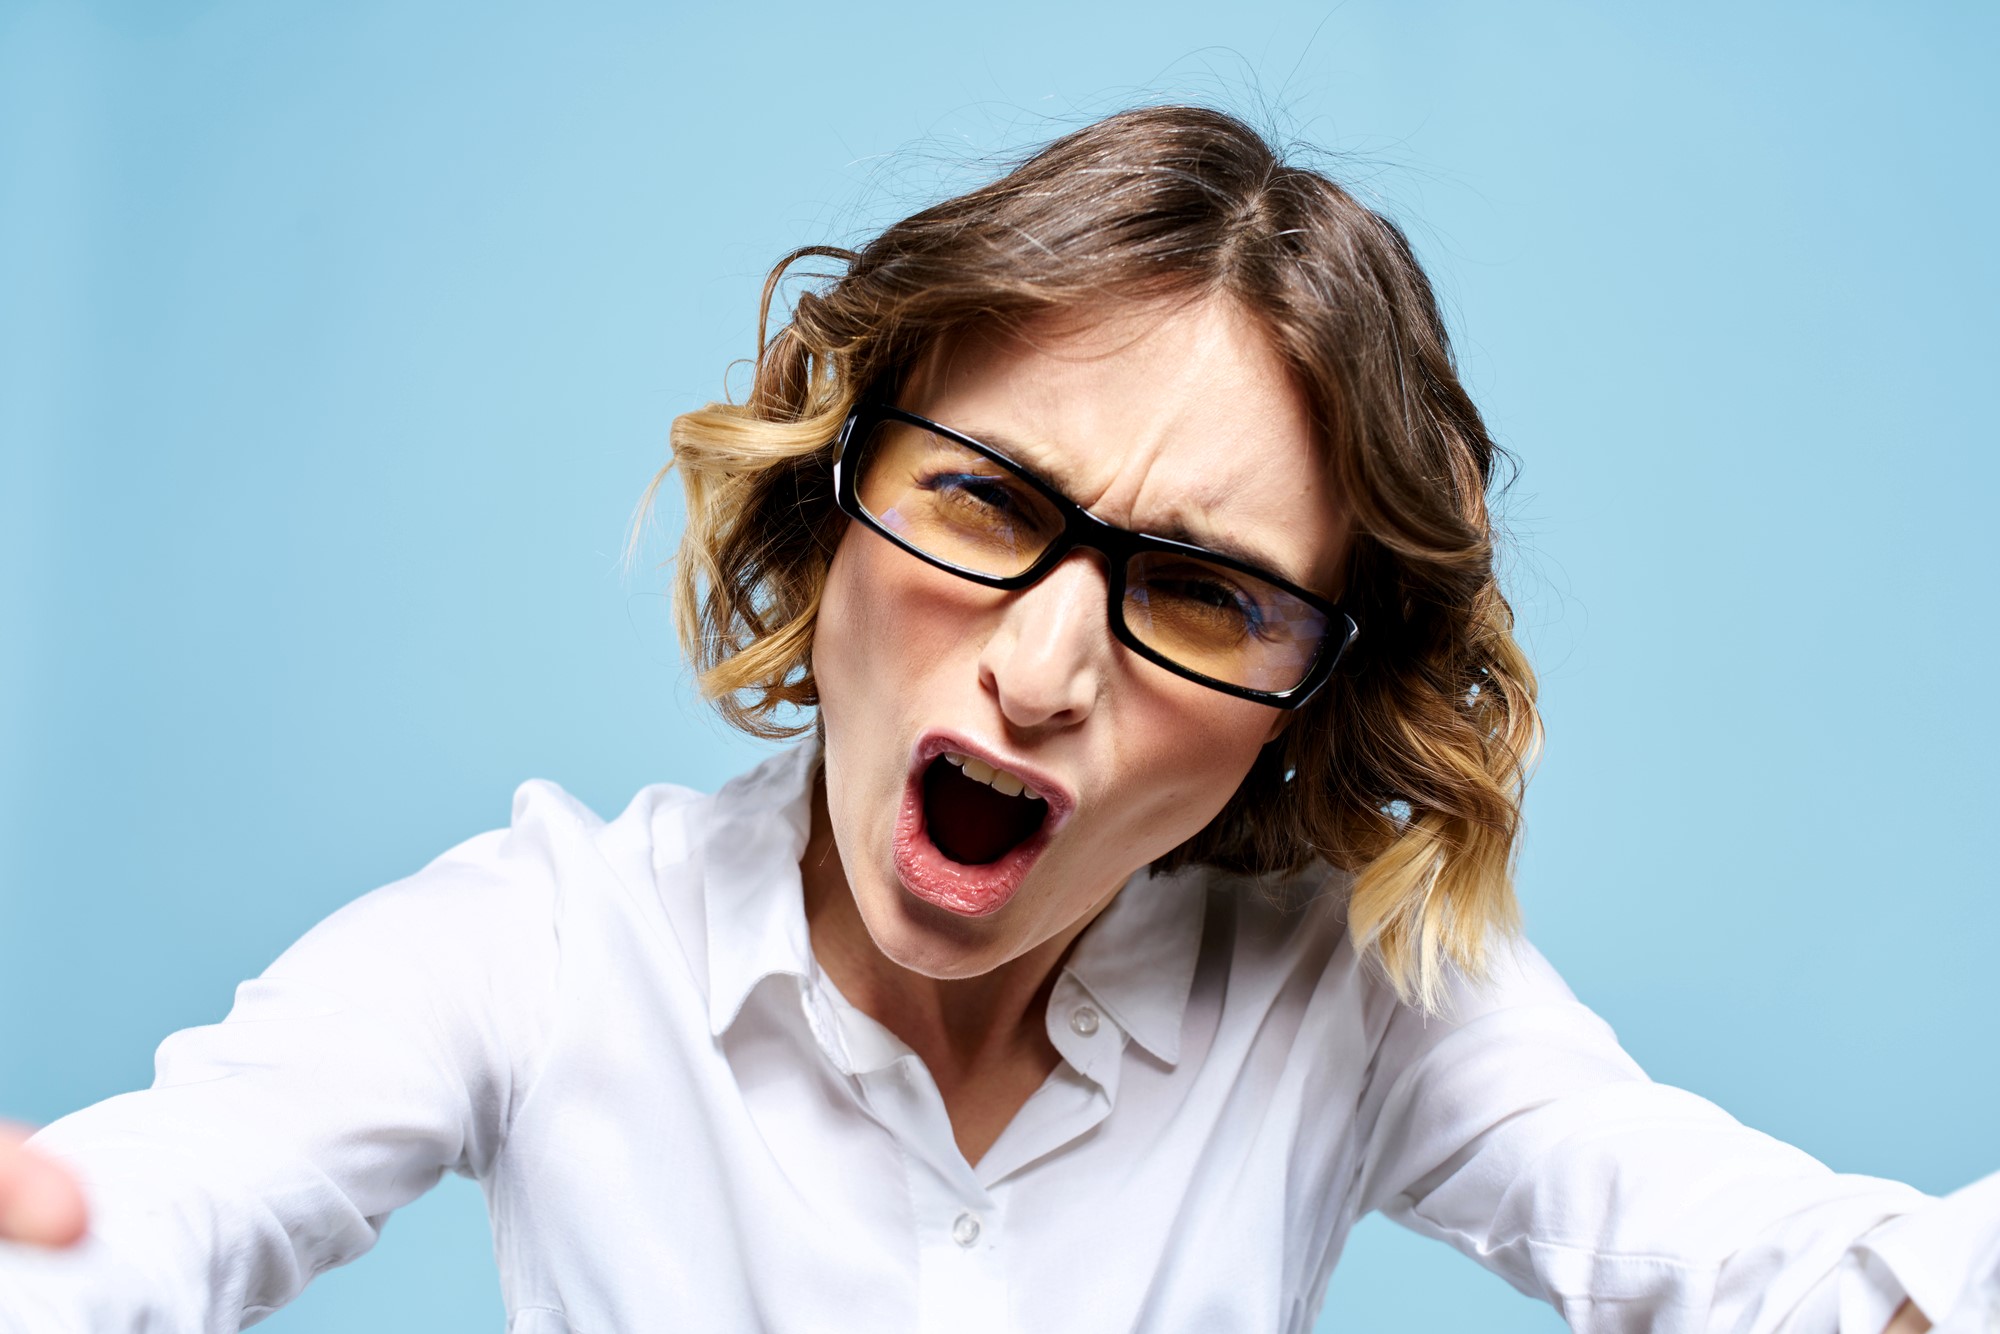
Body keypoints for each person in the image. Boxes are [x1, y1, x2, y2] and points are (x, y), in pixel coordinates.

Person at [1, 105, 1993, 1333]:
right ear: (832, 480)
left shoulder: (1346, 1005)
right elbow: (156, 1210)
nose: (1042, 671)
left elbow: (1787, 1283)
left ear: (1312, 693)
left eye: (1200, 591)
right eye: (986, 503)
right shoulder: (543, 948)